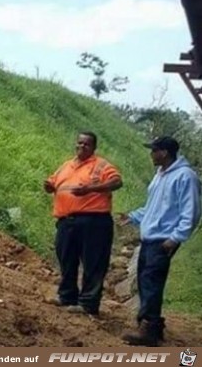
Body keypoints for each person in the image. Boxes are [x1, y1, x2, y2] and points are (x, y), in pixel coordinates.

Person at [119, 136, 201, 347]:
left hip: (163, 240)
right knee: (145, 281)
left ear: (164, 152)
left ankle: (149, 329)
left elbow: (190, 212)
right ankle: (151, 324)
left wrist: (175, 238)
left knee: (151, 282)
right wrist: (134, 216)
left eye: (154, 150)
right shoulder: (160, 175)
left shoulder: (185, 176)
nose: (151, 154)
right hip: (150, 238)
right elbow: (155, 207)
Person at [43, 131, 123, 316]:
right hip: (66, 221)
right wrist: (48, 186)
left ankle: (88, 303)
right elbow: (53, 181)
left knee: (93, 262)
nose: (81, 147)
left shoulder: (101, 165)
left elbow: (117, 182)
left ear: (93, 147)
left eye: (86, 144)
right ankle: (67, 296)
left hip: (94, 221)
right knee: (66, 259)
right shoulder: (66, 166)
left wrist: (90, 189)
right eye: (79, 143)